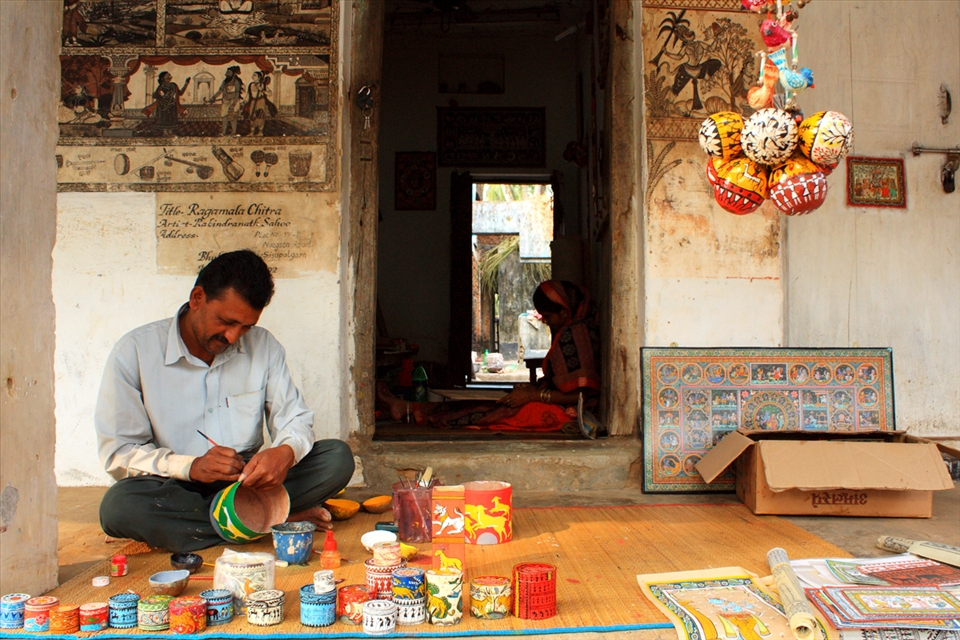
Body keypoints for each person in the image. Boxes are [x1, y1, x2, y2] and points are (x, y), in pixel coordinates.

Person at [96, 250, 355, 552]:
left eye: (245, 327)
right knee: (119, 507)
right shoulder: (135, 352)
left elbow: (294, 418)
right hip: (177, 485)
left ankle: (229, 521)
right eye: (226, 321)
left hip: (248, 484)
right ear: (197, 298)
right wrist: (191, 467)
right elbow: (120, 454)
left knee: (337, 458)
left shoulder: (263, 346)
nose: (233, 337)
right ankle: (269, 521)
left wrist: (284, 451)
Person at [377, 280, 601, 432]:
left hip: (569, 413)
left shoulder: (576, 334)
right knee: (484, 404)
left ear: (564, 311)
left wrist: (534, 397)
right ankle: (406, 408)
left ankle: (407, 409)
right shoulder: (574, 328)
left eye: (548, 317)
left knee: (484, 412)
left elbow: (579, 396)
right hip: (551, 403)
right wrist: (533, 392)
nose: (545, 322)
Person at [207, 66, 244, 136]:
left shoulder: (236, 82)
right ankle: (224, 132)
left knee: (233, 117)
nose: (226, 74)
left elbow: (237, 94)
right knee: (224, 116)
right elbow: (220, 90)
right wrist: (213, 97)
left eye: (229, 72)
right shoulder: (225, 81)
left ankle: (233, 132)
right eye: (227, 72)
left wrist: (233, 105)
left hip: (234, 101)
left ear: (234, 73)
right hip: (225, 101)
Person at [243, 71, 277, 136]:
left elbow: (270, 93)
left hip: (260, 101)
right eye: (253, 75)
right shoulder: (251, 85)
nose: (253, 77)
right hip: (253, 101)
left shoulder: (263, 85)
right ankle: (252, 132)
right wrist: (245, 101)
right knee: (252, 115)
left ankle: (260, 132)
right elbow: (248, 94)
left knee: (260, 116)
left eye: (255, 75)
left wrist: (262, 90)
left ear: (259, 77)